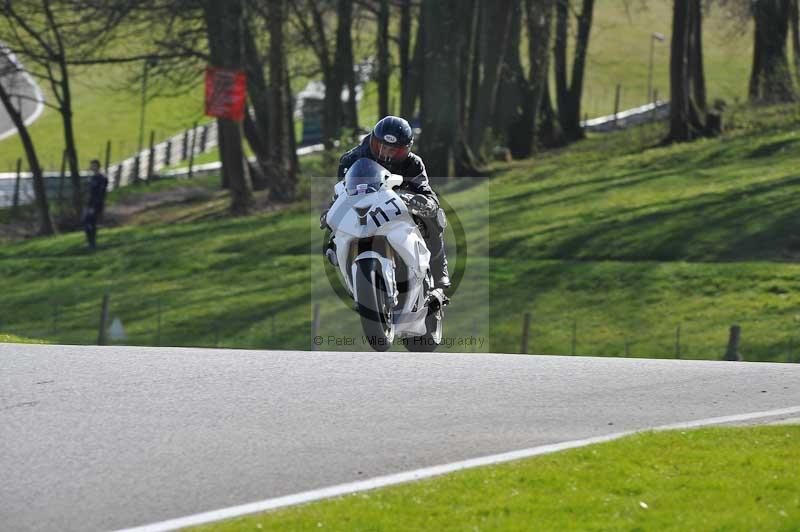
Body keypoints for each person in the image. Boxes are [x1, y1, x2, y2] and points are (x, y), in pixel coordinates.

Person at [330, 116, 450, 289]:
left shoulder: (413, 163)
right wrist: (330, 210)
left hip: (399, 208)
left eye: (394, 150)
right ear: (373, 141)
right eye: (382, 146)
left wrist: (423, 202)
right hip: (362, 209)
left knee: (435, 217)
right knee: (332, 232)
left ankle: (439, 272)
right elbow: (340, 192)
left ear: (405, 149)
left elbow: (426, 192)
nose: (386, 152)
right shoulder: (350, 159)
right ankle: (342, 258)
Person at [83, 159, 108, 250]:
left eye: (93, 165)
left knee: (91, 222)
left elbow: (101, 194)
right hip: (89, 204)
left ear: (97, 166)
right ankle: (90, 242)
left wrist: (94, 205)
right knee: (86, 222)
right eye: (91, 165)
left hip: (96, 204)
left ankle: (92, 243)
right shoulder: (92, 178)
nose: (91, 167)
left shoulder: (102, 179)